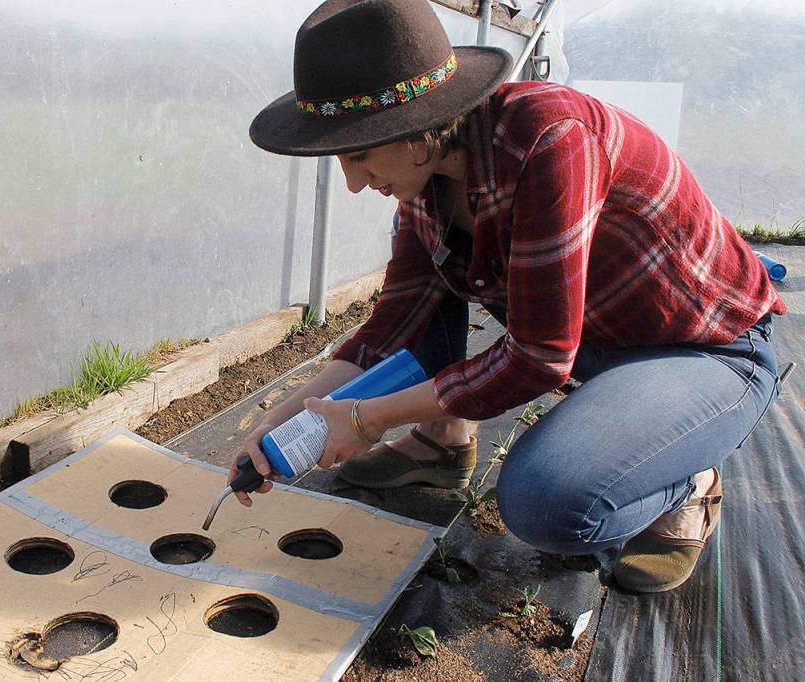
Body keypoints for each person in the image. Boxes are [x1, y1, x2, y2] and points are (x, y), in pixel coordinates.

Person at [228, 0, 785, 593]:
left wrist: (366, 419)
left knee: (548, 502)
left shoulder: (551, 142)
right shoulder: (425, 187)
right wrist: (286, 416)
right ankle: (445, 443)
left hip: (698, 347)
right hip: (594, 340)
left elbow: (539, 357)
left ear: (412, 129)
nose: (353, 181)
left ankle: (684, 477)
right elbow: (394, 327)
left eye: (357, 153)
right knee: (425, 319)